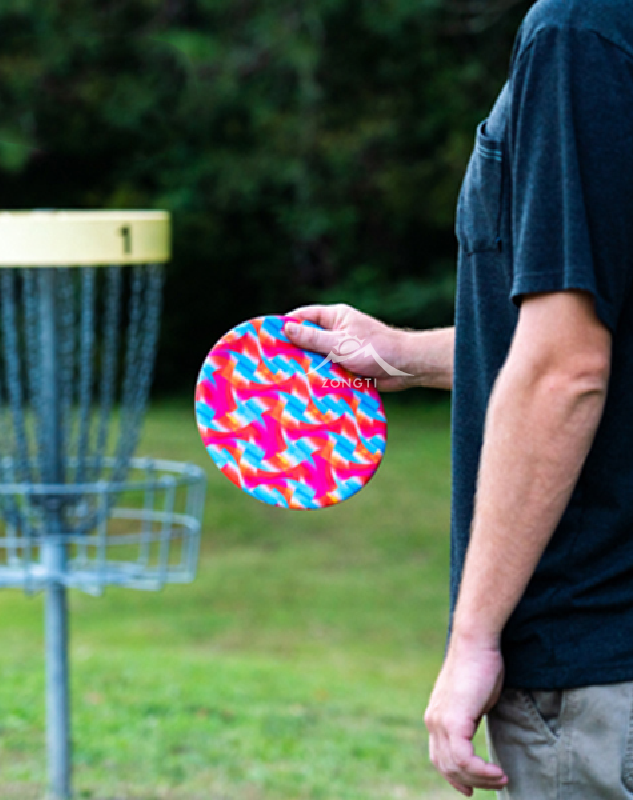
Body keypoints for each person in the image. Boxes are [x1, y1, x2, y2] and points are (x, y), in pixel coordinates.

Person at [284, 0, 633, 796]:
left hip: (596, 667)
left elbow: (566, 370)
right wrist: (406, 358)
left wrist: (472, 638)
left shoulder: (579, 28)